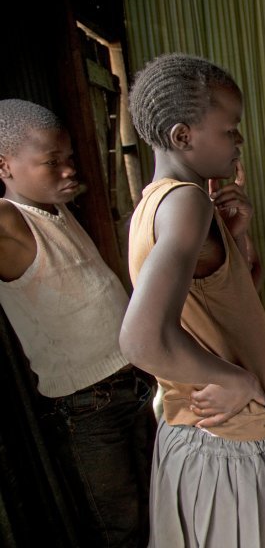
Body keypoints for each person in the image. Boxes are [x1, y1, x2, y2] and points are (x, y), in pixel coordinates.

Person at [121, 53, 265, 547]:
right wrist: (235, 378)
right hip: (224, 442)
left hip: (216, 436)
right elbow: (141, 338)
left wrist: (237, 238)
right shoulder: (186, 203)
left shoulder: (161, 202)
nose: (240, 142)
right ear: (183, 136)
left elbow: (231, 300)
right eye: (231, 130)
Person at [0, 99, 155, 547]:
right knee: (117, 526)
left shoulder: (58, 211)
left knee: (149, 506)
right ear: (4, 166)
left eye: (68, 159)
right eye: (52, 162)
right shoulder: (11, 221)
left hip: (131, 384)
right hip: (85, 409)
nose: (69, 170)